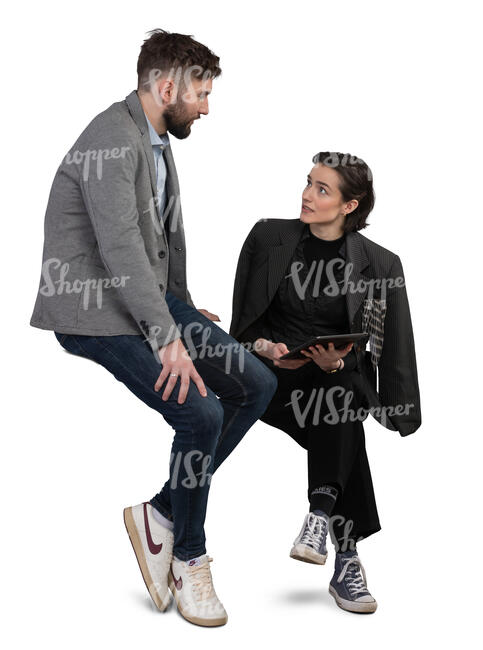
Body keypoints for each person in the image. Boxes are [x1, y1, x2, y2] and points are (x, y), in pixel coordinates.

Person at [29, 29, 277, 627]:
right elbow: (120, 247)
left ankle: (162, 512)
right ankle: (189, 556)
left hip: (147, 300)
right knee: (202, 414)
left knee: (258, 385)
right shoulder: (111, 140)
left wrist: (184, 307)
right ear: (167, 87)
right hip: (93, 314)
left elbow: (165, 238)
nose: (208, 107)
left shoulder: (155, 139)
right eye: (202, 93)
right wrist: (169, 337)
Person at [229, 151, 421, 614]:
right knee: (344, 413)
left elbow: (392, 342)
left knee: (341, 396)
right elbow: (243, 326)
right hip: (274, 380)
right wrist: (266, 349)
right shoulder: (267, 236)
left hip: (334, 381)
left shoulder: (380, 264)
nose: (306, 195)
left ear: (350, 206)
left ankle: (322, 521)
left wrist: (392, 403)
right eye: (308, 183)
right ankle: (346, 555)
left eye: (322, 189)